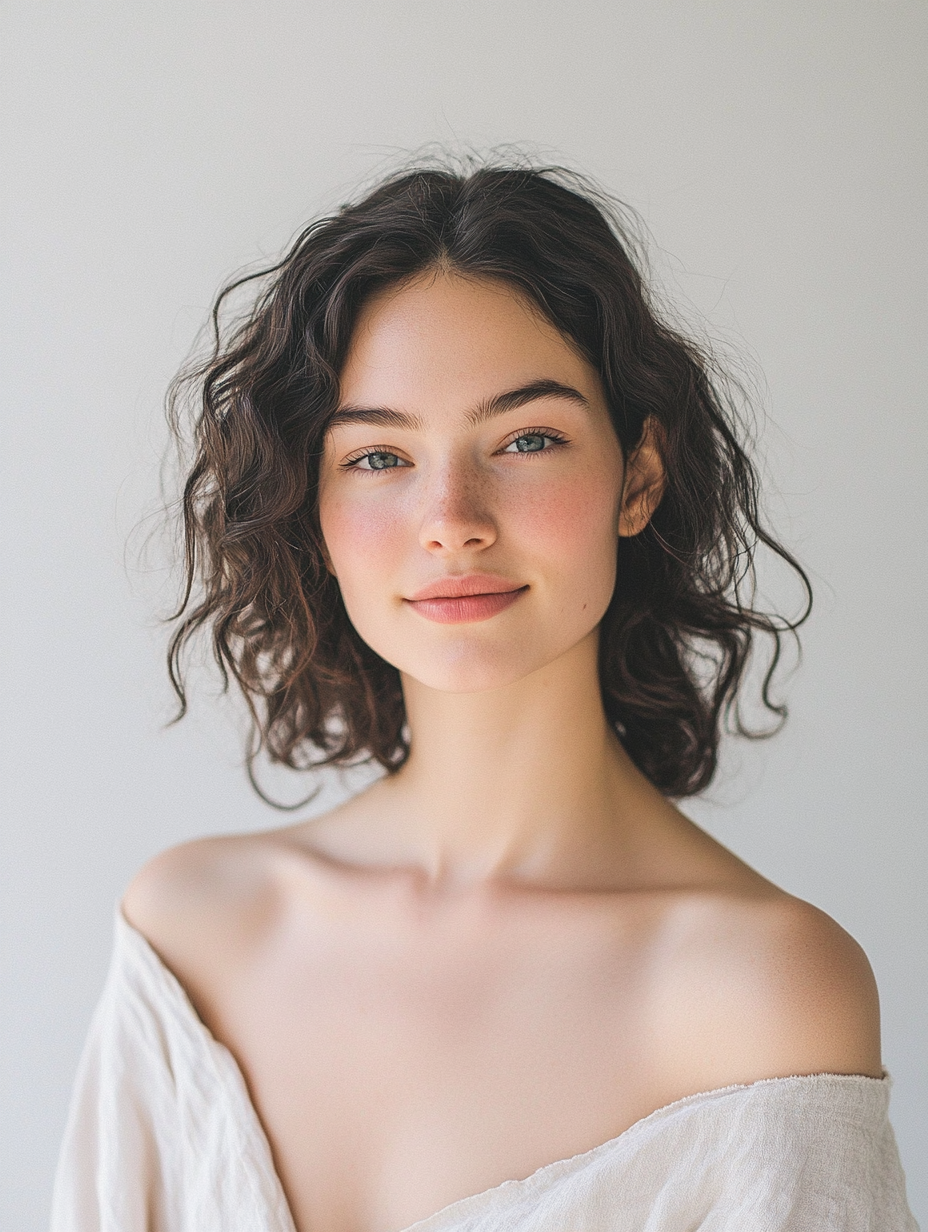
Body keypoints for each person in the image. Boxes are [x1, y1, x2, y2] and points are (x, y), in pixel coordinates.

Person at [51, 161, 917, 1231]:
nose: (450, 516)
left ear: (638, 477)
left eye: (524, 439)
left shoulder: (762, 994)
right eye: (377, 455)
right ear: (308, 506)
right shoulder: (191, 941)